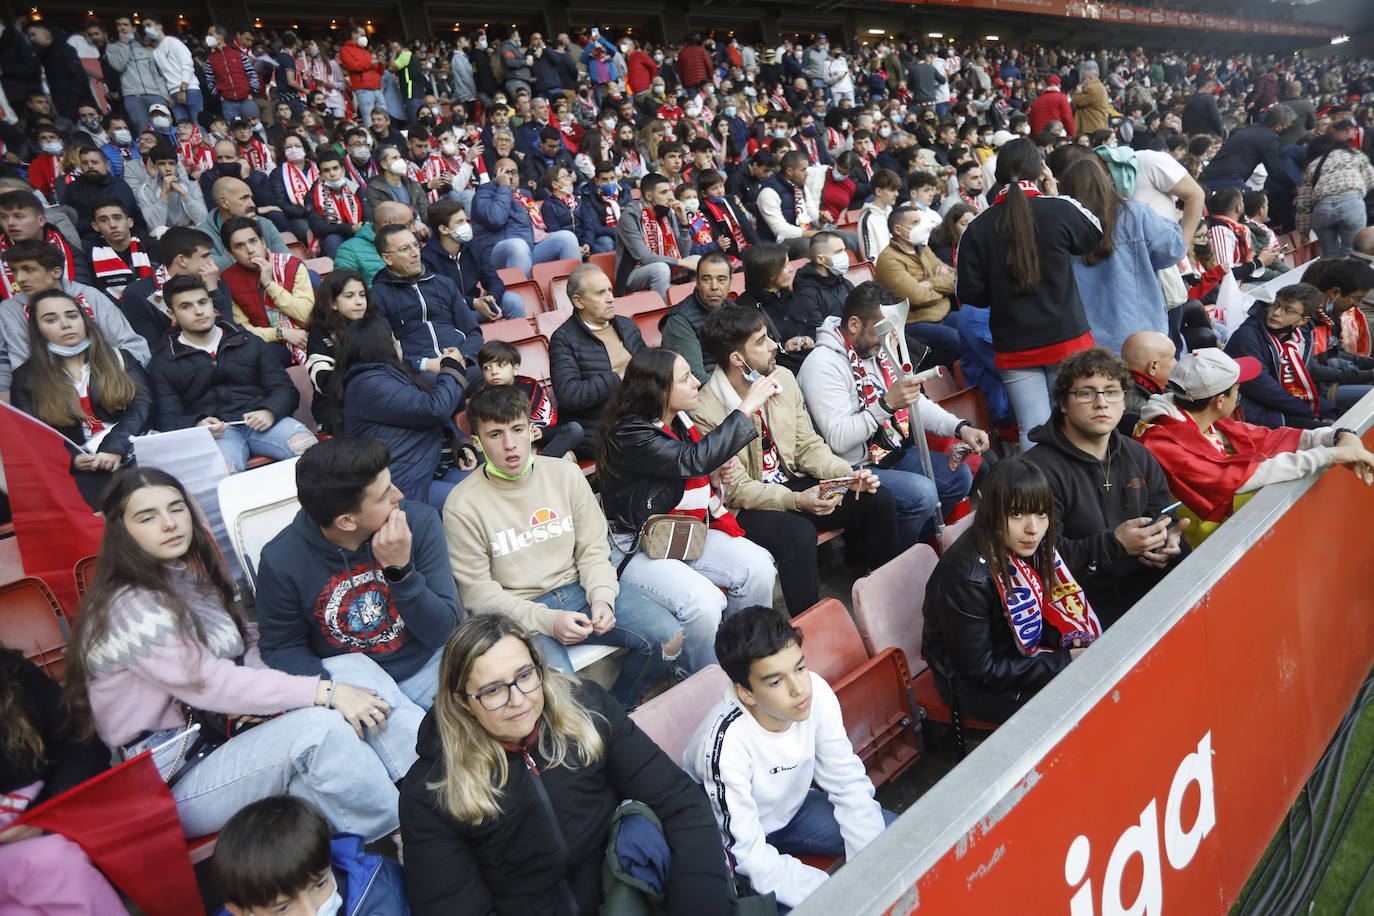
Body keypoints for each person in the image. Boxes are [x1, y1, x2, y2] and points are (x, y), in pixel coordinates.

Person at [67, 465, 424, 841]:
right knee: (320, 729)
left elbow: (246, 651)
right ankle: (407, 840)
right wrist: (324, 693)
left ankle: (427, 783)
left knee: (350, 667)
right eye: (147, 516)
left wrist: (320, 680)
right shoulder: (129, 607)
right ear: (121, 531)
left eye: (176, 508)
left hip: (224, 736)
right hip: (173, 779)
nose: (169, 524)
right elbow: (211, 684)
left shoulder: (184, 579)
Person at [399, 613, 732, 914]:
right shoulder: (431, 791)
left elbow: (678, 801)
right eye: (492, 690)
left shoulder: (587, 708)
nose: (518, 701)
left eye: (525, 675)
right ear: (462, 702)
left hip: (631, 896)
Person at [441, 385, 683, 706]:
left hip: (578, 590)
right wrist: (548, 621)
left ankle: (619, 709)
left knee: (670, 638)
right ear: (478, 442)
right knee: (560, 691)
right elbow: (479, 595)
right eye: (495, 435)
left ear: (533, 430)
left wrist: (602, 598)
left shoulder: (565, 474)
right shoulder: (462, 505)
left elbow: (593, 550)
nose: (511, 445)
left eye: (517, 430)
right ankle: (591, 728)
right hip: (517, 611)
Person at [683, 606, 897, 910]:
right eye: (775, 681)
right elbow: (748, 855)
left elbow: (848, 784)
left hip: (794, 812)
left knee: (901, 842)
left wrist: (871, 870)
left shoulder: (816, 693)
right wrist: (840, 896)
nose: (799, 689)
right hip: (732, 845)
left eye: (800, 668)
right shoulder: (723, 745)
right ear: (746, 693)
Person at [695, 305, 900, 611]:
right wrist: (798, 500)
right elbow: (736, 489)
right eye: (762, 341)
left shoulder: (783, 378)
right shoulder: (706, 409)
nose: (774, 346)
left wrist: (846, 475)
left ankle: (886, 599)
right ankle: (808, 627)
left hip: (796, 486)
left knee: (874, 496)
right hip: (745, 508)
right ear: (737, 359)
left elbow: (807, 445)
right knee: (798, 534)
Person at [597, 348, 781, 672]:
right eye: (685, 379)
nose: (697, 382)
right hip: (636, 546)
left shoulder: (678, 420)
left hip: (681, 530)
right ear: (658, 391)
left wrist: (710, 476)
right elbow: (690, 460)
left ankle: (744, 660)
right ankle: (700, 679)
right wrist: (747, 406)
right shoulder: (629, 433)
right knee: (704, 603)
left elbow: (683, 472)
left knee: (759, 567)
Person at [256, 437, 463, 711]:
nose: (399, 495)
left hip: (428, 662)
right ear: (346, 521)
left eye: (391, 482)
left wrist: (400, 572)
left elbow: (445, 630)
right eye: (383, 495)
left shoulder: (418, 522)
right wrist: (331, 691)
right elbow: (281, 648)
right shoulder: (281, 559)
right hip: (354, 681)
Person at [799, 282, 982, 549]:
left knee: (959, 478)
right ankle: (887, 559)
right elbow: (838, 439)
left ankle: (909, 546)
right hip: (850, 467)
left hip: (890, 451)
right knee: (923, 494)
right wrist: (885, 405)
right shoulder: (822, 364)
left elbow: (912, 401)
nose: (889, 337)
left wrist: (960, 428)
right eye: (882, 330)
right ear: (853, 325)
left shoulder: (874, 349)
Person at [1137, 348, 1374, 546]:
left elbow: (1270, 438)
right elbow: (1239, 478)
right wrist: (1330, 455)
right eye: (1237, 392)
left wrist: (1339, 436)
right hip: (1195, 553)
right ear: (1219, 400)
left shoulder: (1193, 416)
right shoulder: (1161, 438)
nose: (1239, 397)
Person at [922, 457, 1097, 723]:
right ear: (992, 512)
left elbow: (1037, 607)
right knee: (1081, 702)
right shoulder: (968, 579)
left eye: (1041, 513)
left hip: (1014, 657)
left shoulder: (1025, 544)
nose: (1033, 529)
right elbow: (979, 671)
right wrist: (1064, 661)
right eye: (1017, 514)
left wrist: (1063, 637)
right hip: (971, 686)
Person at [955, 138, 1104, 449]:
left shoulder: (977, 227)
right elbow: (1093, 235)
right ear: (1040, 170)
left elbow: (970, 294)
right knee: (1076, 423)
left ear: (997, 175)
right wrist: (1055, 193)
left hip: (1014, 343)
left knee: (1032, 429)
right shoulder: (1059, 208)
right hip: (1067, 336)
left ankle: (1039, 499)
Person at [1023, 350, 1188, 627]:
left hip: (1147, 589)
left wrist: (1170, 543)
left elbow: (1163, 516)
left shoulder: (1138, 454)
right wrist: (1115, 545)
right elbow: (1038, 559)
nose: (1101, 403)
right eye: (1086, 393)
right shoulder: (1034, 472)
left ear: (1124, 401)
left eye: (1112, 392)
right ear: (1063, 403)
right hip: (1080, 610)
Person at [147, 275, 316, 471]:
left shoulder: (247, 340)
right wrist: (197, 425)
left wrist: (269, 411)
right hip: (215, 435)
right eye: (186, 306)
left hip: (263, 420)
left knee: (307, 447)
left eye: (202, 302)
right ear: (172, 314)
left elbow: (284, 388)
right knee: (222, 471)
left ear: (211, 303)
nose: (199, 311)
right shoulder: (163, 362)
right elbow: (167, 419)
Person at [0, 649, 121, 914]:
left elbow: (80, 745)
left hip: (52, 825)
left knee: (58, 860)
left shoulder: (13, 675)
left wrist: (49, 819)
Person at [10, 289, 152, 508]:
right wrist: (72, 458)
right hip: (79, 467)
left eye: (72, 315)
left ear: (84, 319)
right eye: (51, 319)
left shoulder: (119, 357)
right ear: (37, 329)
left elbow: (144, 406)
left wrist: (114, 447)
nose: (65, 324)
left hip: (132, 451)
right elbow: (31, 434)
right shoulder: (25, 378)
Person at [334, 313, 473, 511]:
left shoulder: (385, 376)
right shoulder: (368, 383)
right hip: (408, 485)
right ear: (380, 344)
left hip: (433, 470)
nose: (398, 343)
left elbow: (427, 417)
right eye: (392, 338)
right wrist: (451, 367)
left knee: (494, 487)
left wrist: (461, 442)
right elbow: (434, 410)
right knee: (474, 503)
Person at [1055, 157, 1185, 357]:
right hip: (1142, 339)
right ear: (1105, 182)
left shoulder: (1060, 227)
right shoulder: (1136, 214)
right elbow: (1172, 251)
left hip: (1086, 343)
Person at [211, 795, 408, 916]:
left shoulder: (383, 889)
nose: (310, 911)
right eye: (282, 908)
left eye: (320, 884)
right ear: (241, 911)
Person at [0, 240, 148, 396]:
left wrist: (106, 382)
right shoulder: (10, 310)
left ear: (56, 272)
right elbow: (23, 368)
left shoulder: (89, 296)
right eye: (14, 271)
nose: (20, 278)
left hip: (112, 385)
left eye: (28, 270)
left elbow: (132, 347)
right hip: (51, 396)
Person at [1225, 282, 1372, 427]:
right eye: (1276, 305)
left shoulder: (1301, 337)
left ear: (1303, 320)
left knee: (1337, 419)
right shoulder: (1247, 336)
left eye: (1288, 310)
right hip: (1253, 412)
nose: (1276, 313)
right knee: (1334, 432)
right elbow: (1263, 388)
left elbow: (1306, 376)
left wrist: (1325, 410)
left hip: (1288, 404)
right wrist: (1311, 413)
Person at [548, 264, 646, 451]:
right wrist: (617, 377)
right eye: (601, 293)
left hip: (641, 420)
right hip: (599, 433)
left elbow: (650, 370)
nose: (610, 299)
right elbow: (569, 394)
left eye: (610, 291)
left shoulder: (626, 326)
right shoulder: (563, 339)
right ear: (578, 301)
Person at [372, 224, 483, 381]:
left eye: (416, 246)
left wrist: (463, 356)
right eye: (405, 249)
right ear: (387, 258)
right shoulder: (378, 295)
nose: (415, 253)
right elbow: (383, 349)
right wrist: (424, 364)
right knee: (436, 385)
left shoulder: (444, 283)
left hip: (461, 363)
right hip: (419, 372)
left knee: (498, 373)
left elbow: (473, 332)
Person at [219, 217, 314, 364]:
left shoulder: (291, 265)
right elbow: (242, 329)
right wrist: (281, 333)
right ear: (230, 254)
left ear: (263, 242)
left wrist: (269, 284)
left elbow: (306, 315)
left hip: (307, 332)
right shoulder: (228, 280)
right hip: (268, 343)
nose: (250, 250)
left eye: (253, 241)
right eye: (239, 246)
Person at [875, 206, 959, 369]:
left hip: (943, 313)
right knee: (952, 338)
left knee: (976, 322)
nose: (922, 226)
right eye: (915, 223)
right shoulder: (888, 260)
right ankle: (931, 378)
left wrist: (931, 282)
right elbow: (916, 296)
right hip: (915, 321)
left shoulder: (923, 248)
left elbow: (956, 278)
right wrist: (941, 284)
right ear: (898, 230)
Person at [469, 157, 580, 279]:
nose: (510, 177)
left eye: (514, 173)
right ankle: (525, 295)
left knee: (566, 238)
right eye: (506, 172)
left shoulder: (521, 197)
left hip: (527, 249)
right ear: (495, 176)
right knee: (518, 245)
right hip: (495, 253)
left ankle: (575, 288)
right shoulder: (483, 193)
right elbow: (496, 219)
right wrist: (503, 188)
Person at [476, 340, 585, 458]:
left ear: (515, 369)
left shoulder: (530, 388)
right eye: (486, 368)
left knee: (575, 430)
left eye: (501, 365)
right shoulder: (482, 397)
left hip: (539, 440)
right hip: (506, 448)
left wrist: (541, 432)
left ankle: (540, 465)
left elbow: (549, 425)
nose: (494, 372)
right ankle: (549, 464)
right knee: (482, 452)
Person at [306, 269, 374, 434]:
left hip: (377, 398)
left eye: (362, 295)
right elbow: (323, 381)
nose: (359, 302)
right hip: (336, 408)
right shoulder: (319, 332)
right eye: (349, 296)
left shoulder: (376, 325)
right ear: (333, 303)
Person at [614, 171, 698, 298]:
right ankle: (664, 315)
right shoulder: (630, 217)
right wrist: (682, 262)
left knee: (698, 260)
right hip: (633, 273)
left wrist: (684, 223)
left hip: (666, 264)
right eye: (664, 192)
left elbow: (683, 254)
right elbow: (644, 257)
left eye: (670, 191)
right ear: (649, 196)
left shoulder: (667, 213)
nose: (670, 197)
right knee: (661, 269)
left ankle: (695, 304)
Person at [734, 242, 813, 374]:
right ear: (770, 274)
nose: (791, 269)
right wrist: (784, 348)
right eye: (785, 265)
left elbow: (813, 326)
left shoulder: (792, 296)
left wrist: (808, 340)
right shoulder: (745, 310)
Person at [1294, 134, 1374, 259]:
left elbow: (1303, 202)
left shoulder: (1312, 165)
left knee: (1329, 254)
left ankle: (1330, 277)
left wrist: (1303, 232)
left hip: (1322, 209)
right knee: (1351, 253)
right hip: (1351, 205)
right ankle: (1350, 277)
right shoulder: (1354, 154)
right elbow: (1371, 179)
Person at [658, 250, 733, 383]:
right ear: (697, 282)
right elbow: (694, 378)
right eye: (706, 279)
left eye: (721, 280)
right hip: (707, 394)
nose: (714, 287)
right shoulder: (678, 321)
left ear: (730, 282)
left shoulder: (732, 308)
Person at [1198, 105, 1295, 194]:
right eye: (1286, 127)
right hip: (1227, 180)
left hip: (1208, 177)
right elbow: (1276, 172)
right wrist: (1295, 186)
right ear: (1278, 126)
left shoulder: (1248, 129)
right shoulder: (1269, 138)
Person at [200, 176, 291, 270]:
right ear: (224, 203)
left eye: (251, 198)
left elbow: (287, 262)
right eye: (244, 198)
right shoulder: (202, 235)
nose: (252, 204)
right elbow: (213, 271)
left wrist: (252, 230)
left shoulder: (264, 224)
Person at [783, 231, 854, 344]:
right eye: (838, 252)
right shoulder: (806, 294)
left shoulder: (841, 280)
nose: (844, 255)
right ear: (821, 259)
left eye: (844, 250)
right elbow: (820, 334)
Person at [83, 198, 158, 300]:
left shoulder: (153, 247)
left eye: (117, 218)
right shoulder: (89, 257)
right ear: (95, 226)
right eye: (103, 220)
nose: (112, 225)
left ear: (130, 222)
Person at [1206, 186, 1279, 285]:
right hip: (1226, 293)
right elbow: (1225, 275)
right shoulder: (1220, 230)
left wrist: (1261, 257)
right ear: (1238, 208)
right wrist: (1259, 262)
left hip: (1239, 286)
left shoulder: (1236, 230)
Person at [333, 201, 416, 288]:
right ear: (388, 224)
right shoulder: (349, 251)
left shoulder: (412, 243)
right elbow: (346, 291)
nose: (413, 230)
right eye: (408, 224)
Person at [306, 152, 373, 260]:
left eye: (335, 168)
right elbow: (318, 228)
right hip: (332, 238)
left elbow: (368, 215)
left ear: (342, 170)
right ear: (320, 175)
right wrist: (349, 228)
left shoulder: (355, 188)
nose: (332, 174)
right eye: (326, 170)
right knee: (333, 239)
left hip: (358, 231)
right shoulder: (312, 196)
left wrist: (362, 227)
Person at [756, 150, 822, 258]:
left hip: (803, 233)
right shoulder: (768, 192)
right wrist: (810, 233)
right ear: (790, 171)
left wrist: (821, 220)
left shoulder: (800, 185)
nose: (807, 173)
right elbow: (780, 230)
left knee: (840, 237)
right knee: (807, 244)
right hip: (774, 245)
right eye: (803, 170)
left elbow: (812, 214)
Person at [135, 142, 208, 230]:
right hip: (164, 236)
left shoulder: (191, 184)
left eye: (171, 163)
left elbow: (203, 219)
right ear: (155, 167)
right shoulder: (145, 190)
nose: (168, 168)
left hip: (192, 230)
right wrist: (164, 194)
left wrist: (184, 195)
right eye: (162, 164)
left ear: (177, 166)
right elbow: (155, 226)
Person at [1119, 330, 1176, 437]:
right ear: (1153, 367)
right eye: (1172, 358)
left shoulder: (1120, 388)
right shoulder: (1144, 413)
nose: (1176, 363)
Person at [366, 146, 430, 227]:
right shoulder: (375, 189)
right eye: (395, 158)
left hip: (420, 231)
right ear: (384, 164)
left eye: (400, 157)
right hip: (394, 235)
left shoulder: (413, 185)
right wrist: (413, 224)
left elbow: (425, 214)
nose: (400, 161)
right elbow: (384, 220)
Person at [857, 168, 902, 264]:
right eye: (892, 190)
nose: (897, 194)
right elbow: (870, 259)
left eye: (897, 190)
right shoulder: (868, 218)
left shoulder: (890, 211)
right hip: (885, 273)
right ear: (878, 191)